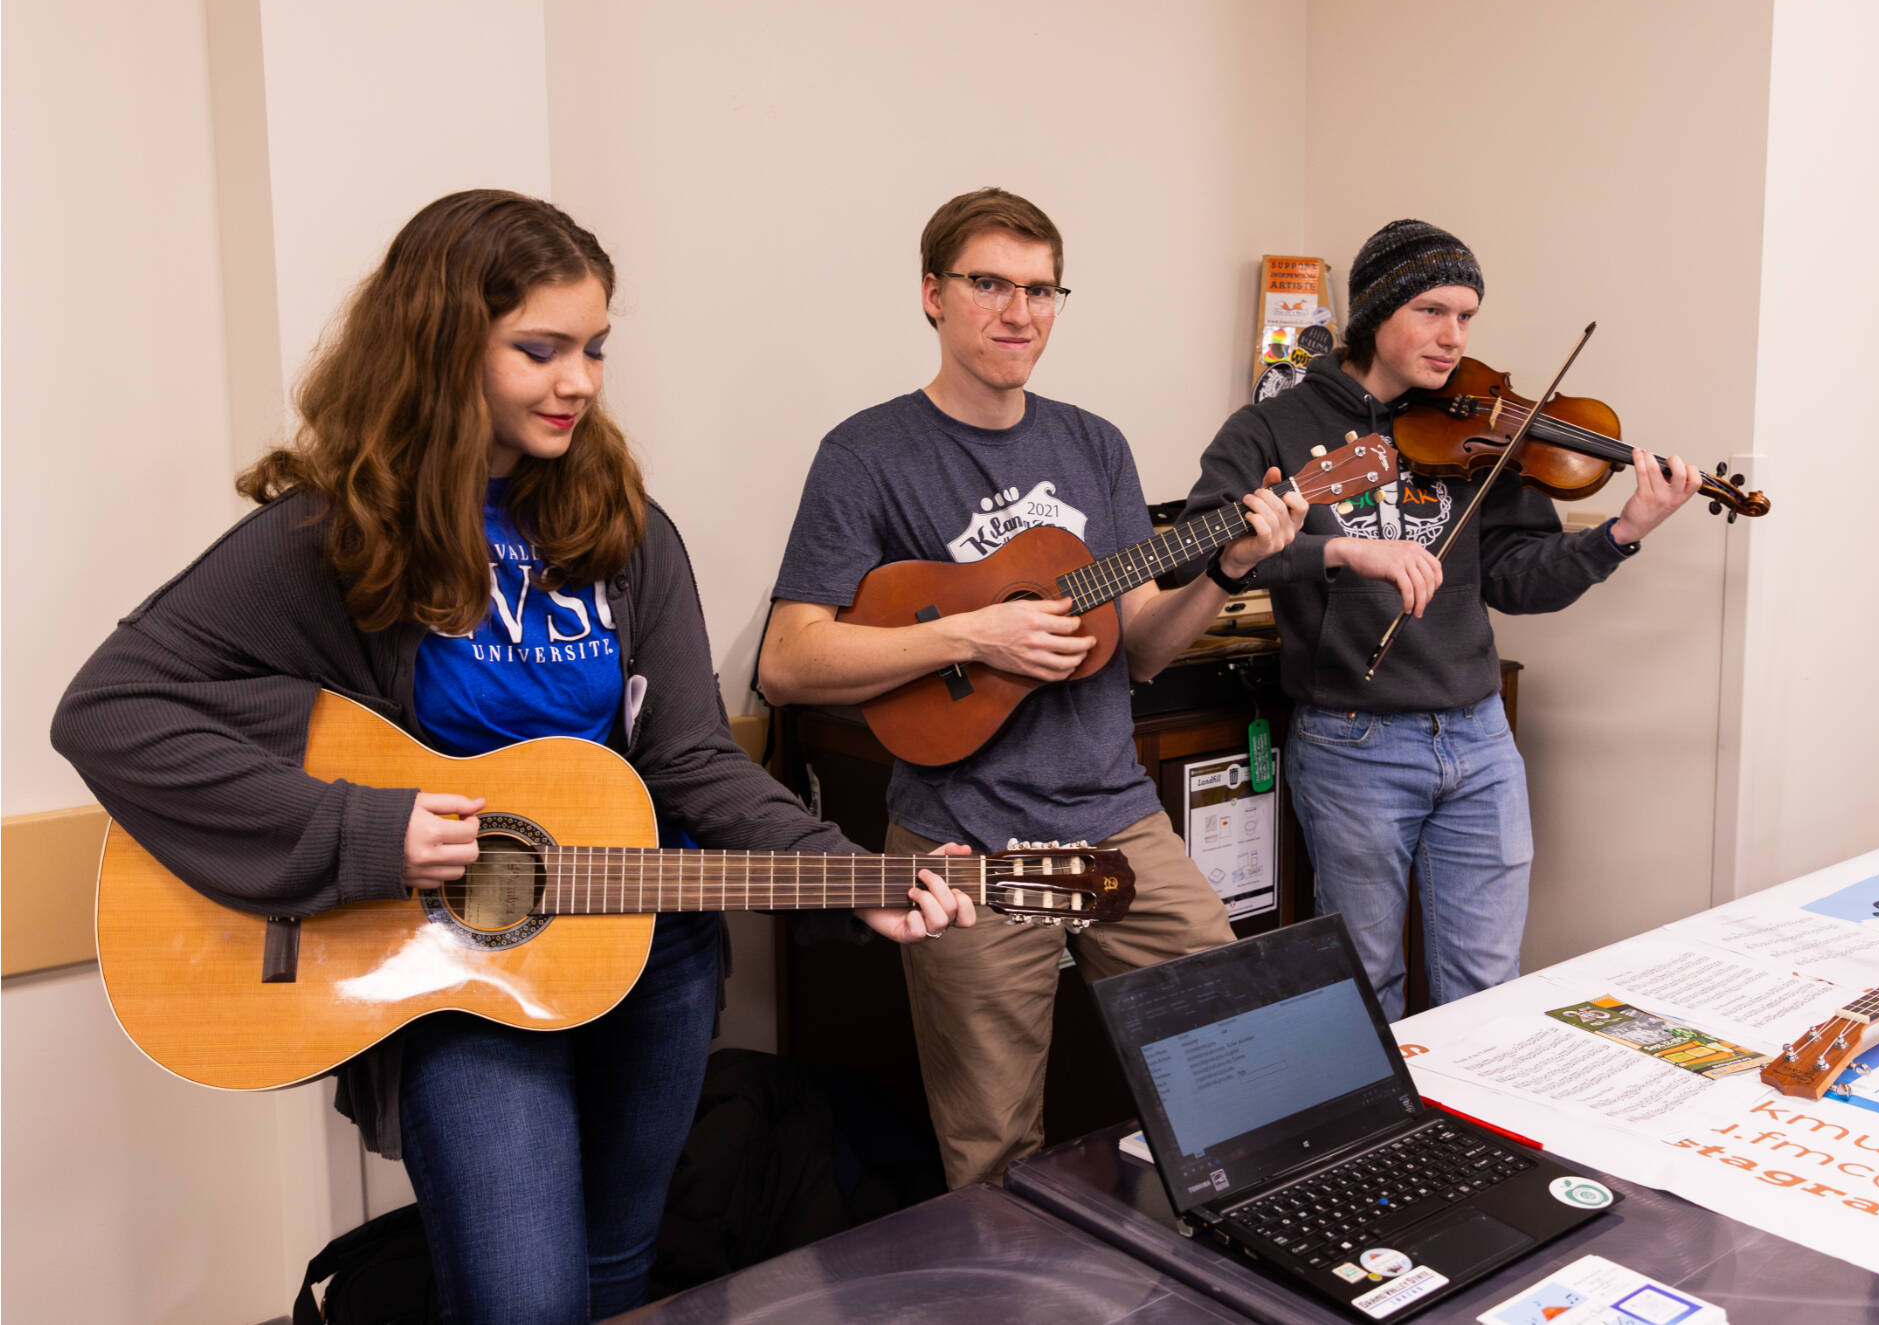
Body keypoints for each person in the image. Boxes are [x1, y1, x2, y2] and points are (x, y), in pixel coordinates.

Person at [50, 189, 974, 1324]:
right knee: (520, 1301)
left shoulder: (627, 532)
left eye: (593, 348)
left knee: (619, 1276)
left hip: (650, 954)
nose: (577, 380)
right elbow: (111, 708)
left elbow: (689, 757)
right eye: (539, 349)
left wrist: (844, 869)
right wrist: (362, 831)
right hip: (458, 973)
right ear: (443, 348)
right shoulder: (336, 533)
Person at [757, 187, 1308, 1190]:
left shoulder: (1094, 445)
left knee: (1241, 1067)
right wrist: (978, 631)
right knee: (993, 1148)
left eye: (1041, 290)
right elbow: (787, 660)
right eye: (990, 285)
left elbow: (1136, 646)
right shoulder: (866, 455)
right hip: (963, 840)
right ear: (932, 293)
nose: (1019, 312)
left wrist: (1223, 570)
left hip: (1118, 819)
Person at [1179, 218, 1701, 1021]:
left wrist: (1620, 533)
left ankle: (1471, 1149)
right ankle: (1380, 1148)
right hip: (1353, 741)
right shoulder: (1274, 427)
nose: (1453, 337)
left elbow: (1519, 580)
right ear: (1373, 313)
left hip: (1479, 735)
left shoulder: (1481, 427)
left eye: (1466, 316)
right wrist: (1345, 551)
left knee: (1487, 989)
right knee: (1364, 986)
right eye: (1431, 311)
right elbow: (1199, 548)